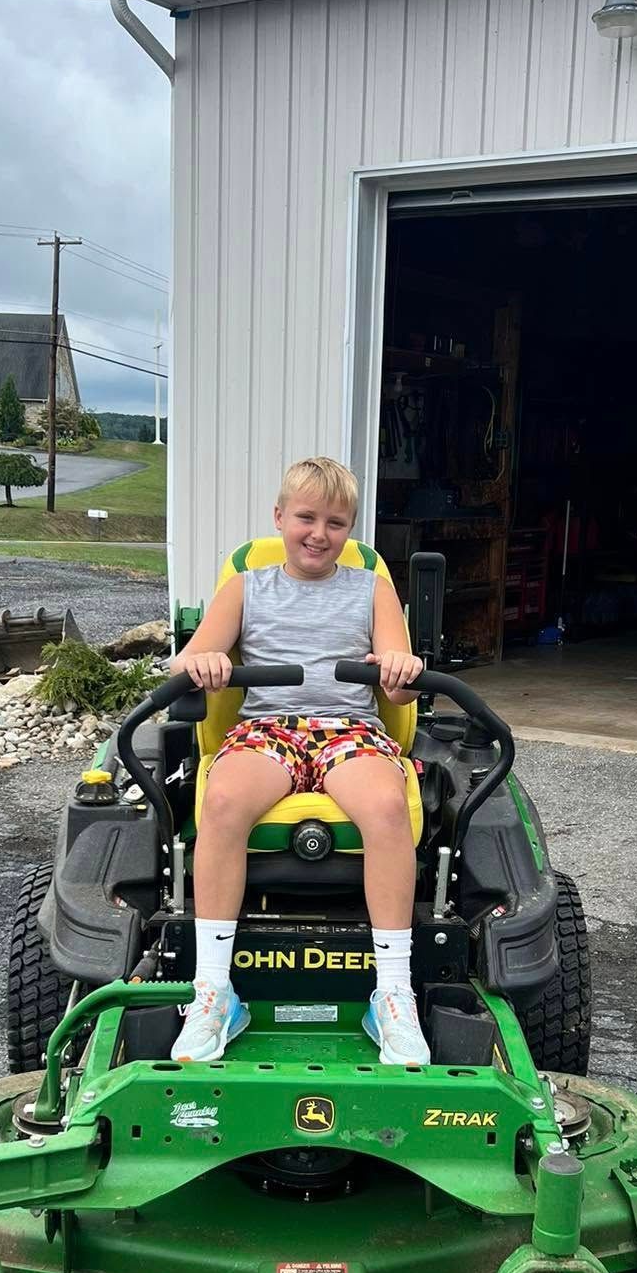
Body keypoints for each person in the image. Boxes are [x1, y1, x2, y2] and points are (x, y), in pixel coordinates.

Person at [171, 456, 429, 1067]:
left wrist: (402, 672)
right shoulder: (246, 586)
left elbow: (397, 689)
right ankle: (214, 991)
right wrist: (203, 663)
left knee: (389, 807)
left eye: (336, 523)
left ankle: (392, 992)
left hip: (349, 728)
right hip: (269, 727)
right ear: (279, 517)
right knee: (224, 801)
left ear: (351, 530)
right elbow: (189, 659)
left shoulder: (373, 589)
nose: (319, 533)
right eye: (306, 518)